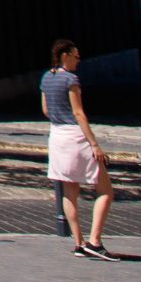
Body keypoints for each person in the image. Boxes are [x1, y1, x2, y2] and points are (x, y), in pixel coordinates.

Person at [43, 38, 115, 257]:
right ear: (65, 55)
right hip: (75, 136)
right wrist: (94, 144)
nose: (78, 60)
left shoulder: (46, 77)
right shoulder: (71, 79)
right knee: (105, 190)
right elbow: (78, 112)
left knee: (69, 191)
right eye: (76, 56)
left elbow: (45, 109)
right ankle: (95, 241)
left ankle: (78, 242)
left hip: (57, 135)